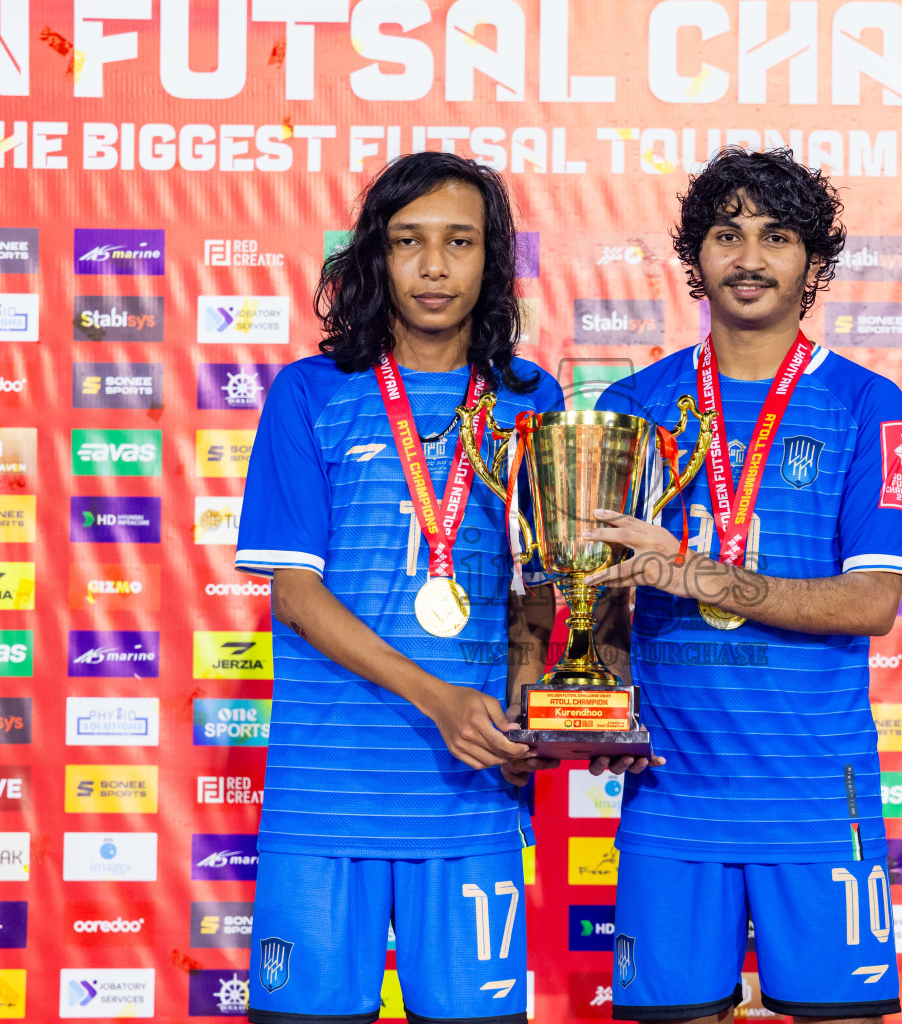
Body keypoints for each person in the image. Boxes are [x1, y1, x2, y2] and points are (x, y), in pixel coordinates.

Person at [587, 147, 902, 1024]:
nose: (749, 258)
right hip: (671, 798)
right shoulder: (633, 405)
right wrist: (598, 699)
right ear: (694, 257)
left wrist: (694, 572)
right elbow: (604, 594)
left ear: (813, 265)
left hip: (815, 798)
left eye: (776, 237)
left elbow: (871, 604)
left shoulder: (868, 405)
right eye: (726, 234)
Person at [234, 151, 563, 1024]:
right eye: (408, 241)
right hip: (327, 793)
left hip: (469, 797)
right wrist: (440, 699)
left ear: (492, 259)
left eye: (460, 241)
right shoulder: (311, 392)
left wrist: (526, 695)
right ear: (376, 254)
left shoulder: (530, 398)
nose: (434, 266)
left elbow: (537, 577)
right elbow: (296, 597)